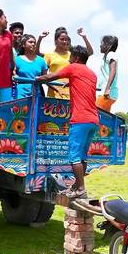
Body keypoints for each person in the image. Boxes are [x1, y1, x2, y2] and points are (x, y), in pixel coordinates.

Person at [36, 45, 98, 199]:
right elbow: (83, 85)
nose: (69, 59)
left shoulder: (73, 68)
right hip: (94, 120)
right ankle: (77, 187)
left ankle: (81, 189)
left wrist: (36, 79)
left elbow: (50, 77)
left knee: (74, 157)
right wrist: (70, 83)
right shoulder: (91, 73)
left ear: (76, 58)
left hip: (80, 119)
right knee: (83, 157)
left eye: (71, 57)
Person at [36, 27, 93, 99]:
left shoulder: (72, 55)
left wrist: (84, 37)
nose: (65, 42)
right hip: (54, 92)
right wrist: (40, 38)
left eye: (66, 39)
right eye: (62, 39)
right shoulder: (49, 55)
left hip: (71, 92)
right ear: (56, 41)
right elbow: (36, 54)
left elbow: (89, 52)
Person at [14, 34, 48, 98]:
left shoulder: (41, 61)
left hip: (37, 93)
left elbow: (45, 78)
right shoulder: (17, 60)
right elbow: (12, 75)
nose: (33, 44)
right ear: (23, 45)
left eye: (34, 42)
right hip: (20, 93)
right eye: (30, 42)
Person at [96, 35, 119, 112]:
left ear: (107, 45)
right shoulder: (106, 57)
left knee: (95, 115)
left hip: (107, 93)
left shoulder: (111, 54)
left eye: (102, 43)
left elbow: (113, 70)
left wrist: (107, 89)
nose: (100, 45)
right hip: (106, 93)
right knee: (103, 120)